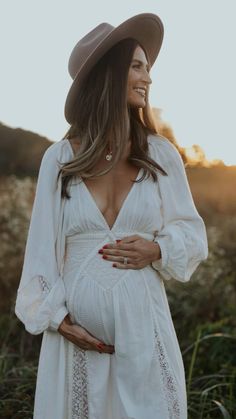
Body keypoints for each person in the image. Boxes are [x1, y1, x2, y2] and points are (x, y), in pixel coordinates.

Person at [15, 13, 208, 419]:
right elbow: (39, 256)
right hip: (75, 346)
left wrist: (157, 249)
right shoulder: (61, 160)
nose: (148, 78)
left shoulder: (162, 156)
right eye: (137, 66)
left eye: (148, 68)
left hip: (144, 334)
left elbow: (192, 236)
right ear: (109, 73)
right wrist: (60, 321)